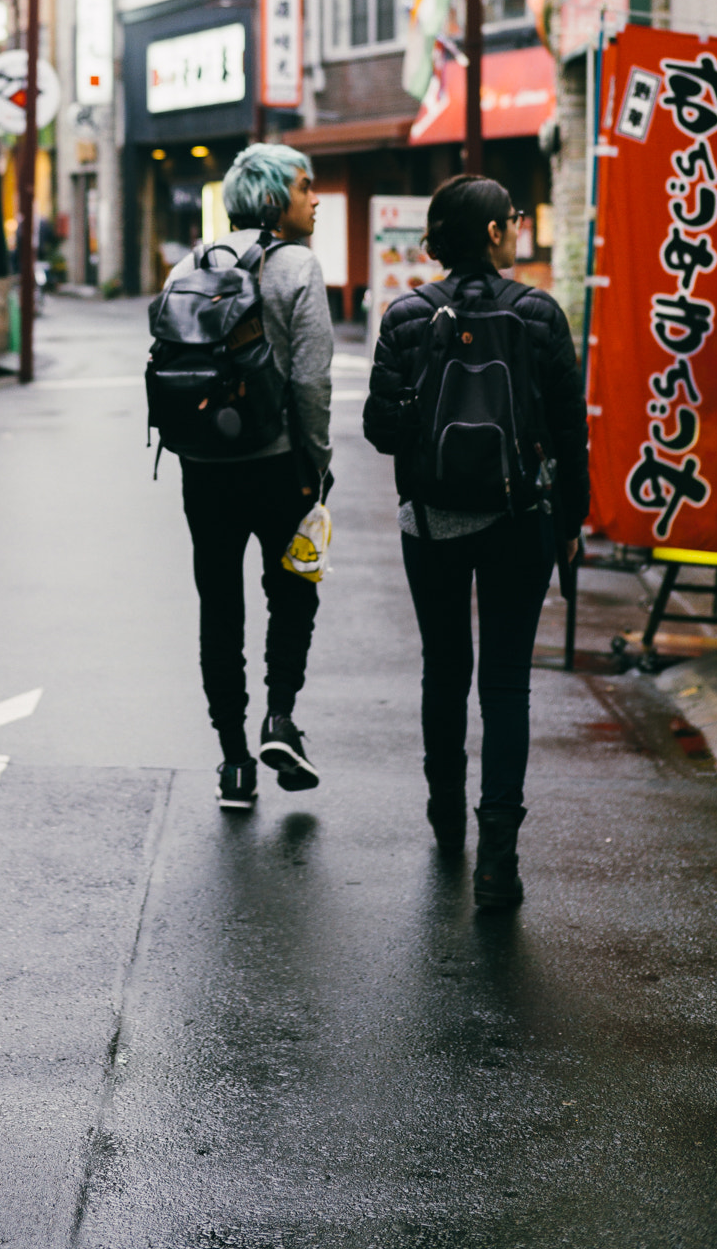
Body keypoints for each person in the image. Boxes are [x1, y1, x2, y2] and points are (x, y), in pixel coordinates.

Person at [362, 174, 588, 908]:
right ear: (493, 235)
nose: (517, 227)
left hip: (429, 523)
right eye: (512, 220)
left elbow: (378, 431)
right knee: (505, 684)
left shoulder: (404, 317)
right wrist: (571, 523)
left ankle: (443, 814)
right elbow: (567, 430)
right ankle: (498, 860)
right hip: (520, 519)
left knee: (443, 668)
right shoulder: (538, 315)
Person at [165, 143, 334, 812]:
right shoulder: (296, 266)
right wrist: (315, 467)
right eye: (303, 186)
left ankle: (232, 759)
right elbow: (313, 381)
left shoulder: (191, 263)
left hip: (202, 467)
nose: (313, 197)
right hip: (277, 462)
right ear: (275, 198)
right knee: (291, 589)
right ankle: (280, 719)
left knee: (218, 607)